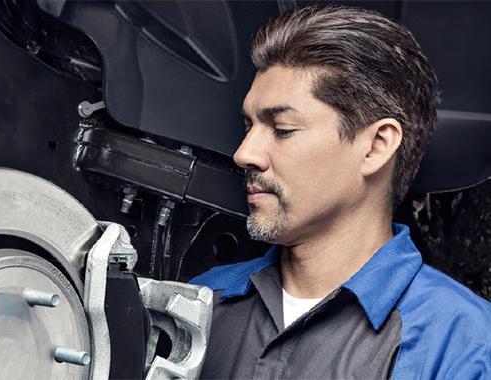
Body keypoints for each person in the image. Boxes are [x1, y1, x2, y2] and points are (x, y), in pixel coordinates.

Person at [190, 5, 491, 380]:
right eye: (248, 126)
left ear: (376, 146)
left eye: (282, 128)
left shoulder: (466, 345)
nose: (243, 154)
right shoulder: (198, 301)